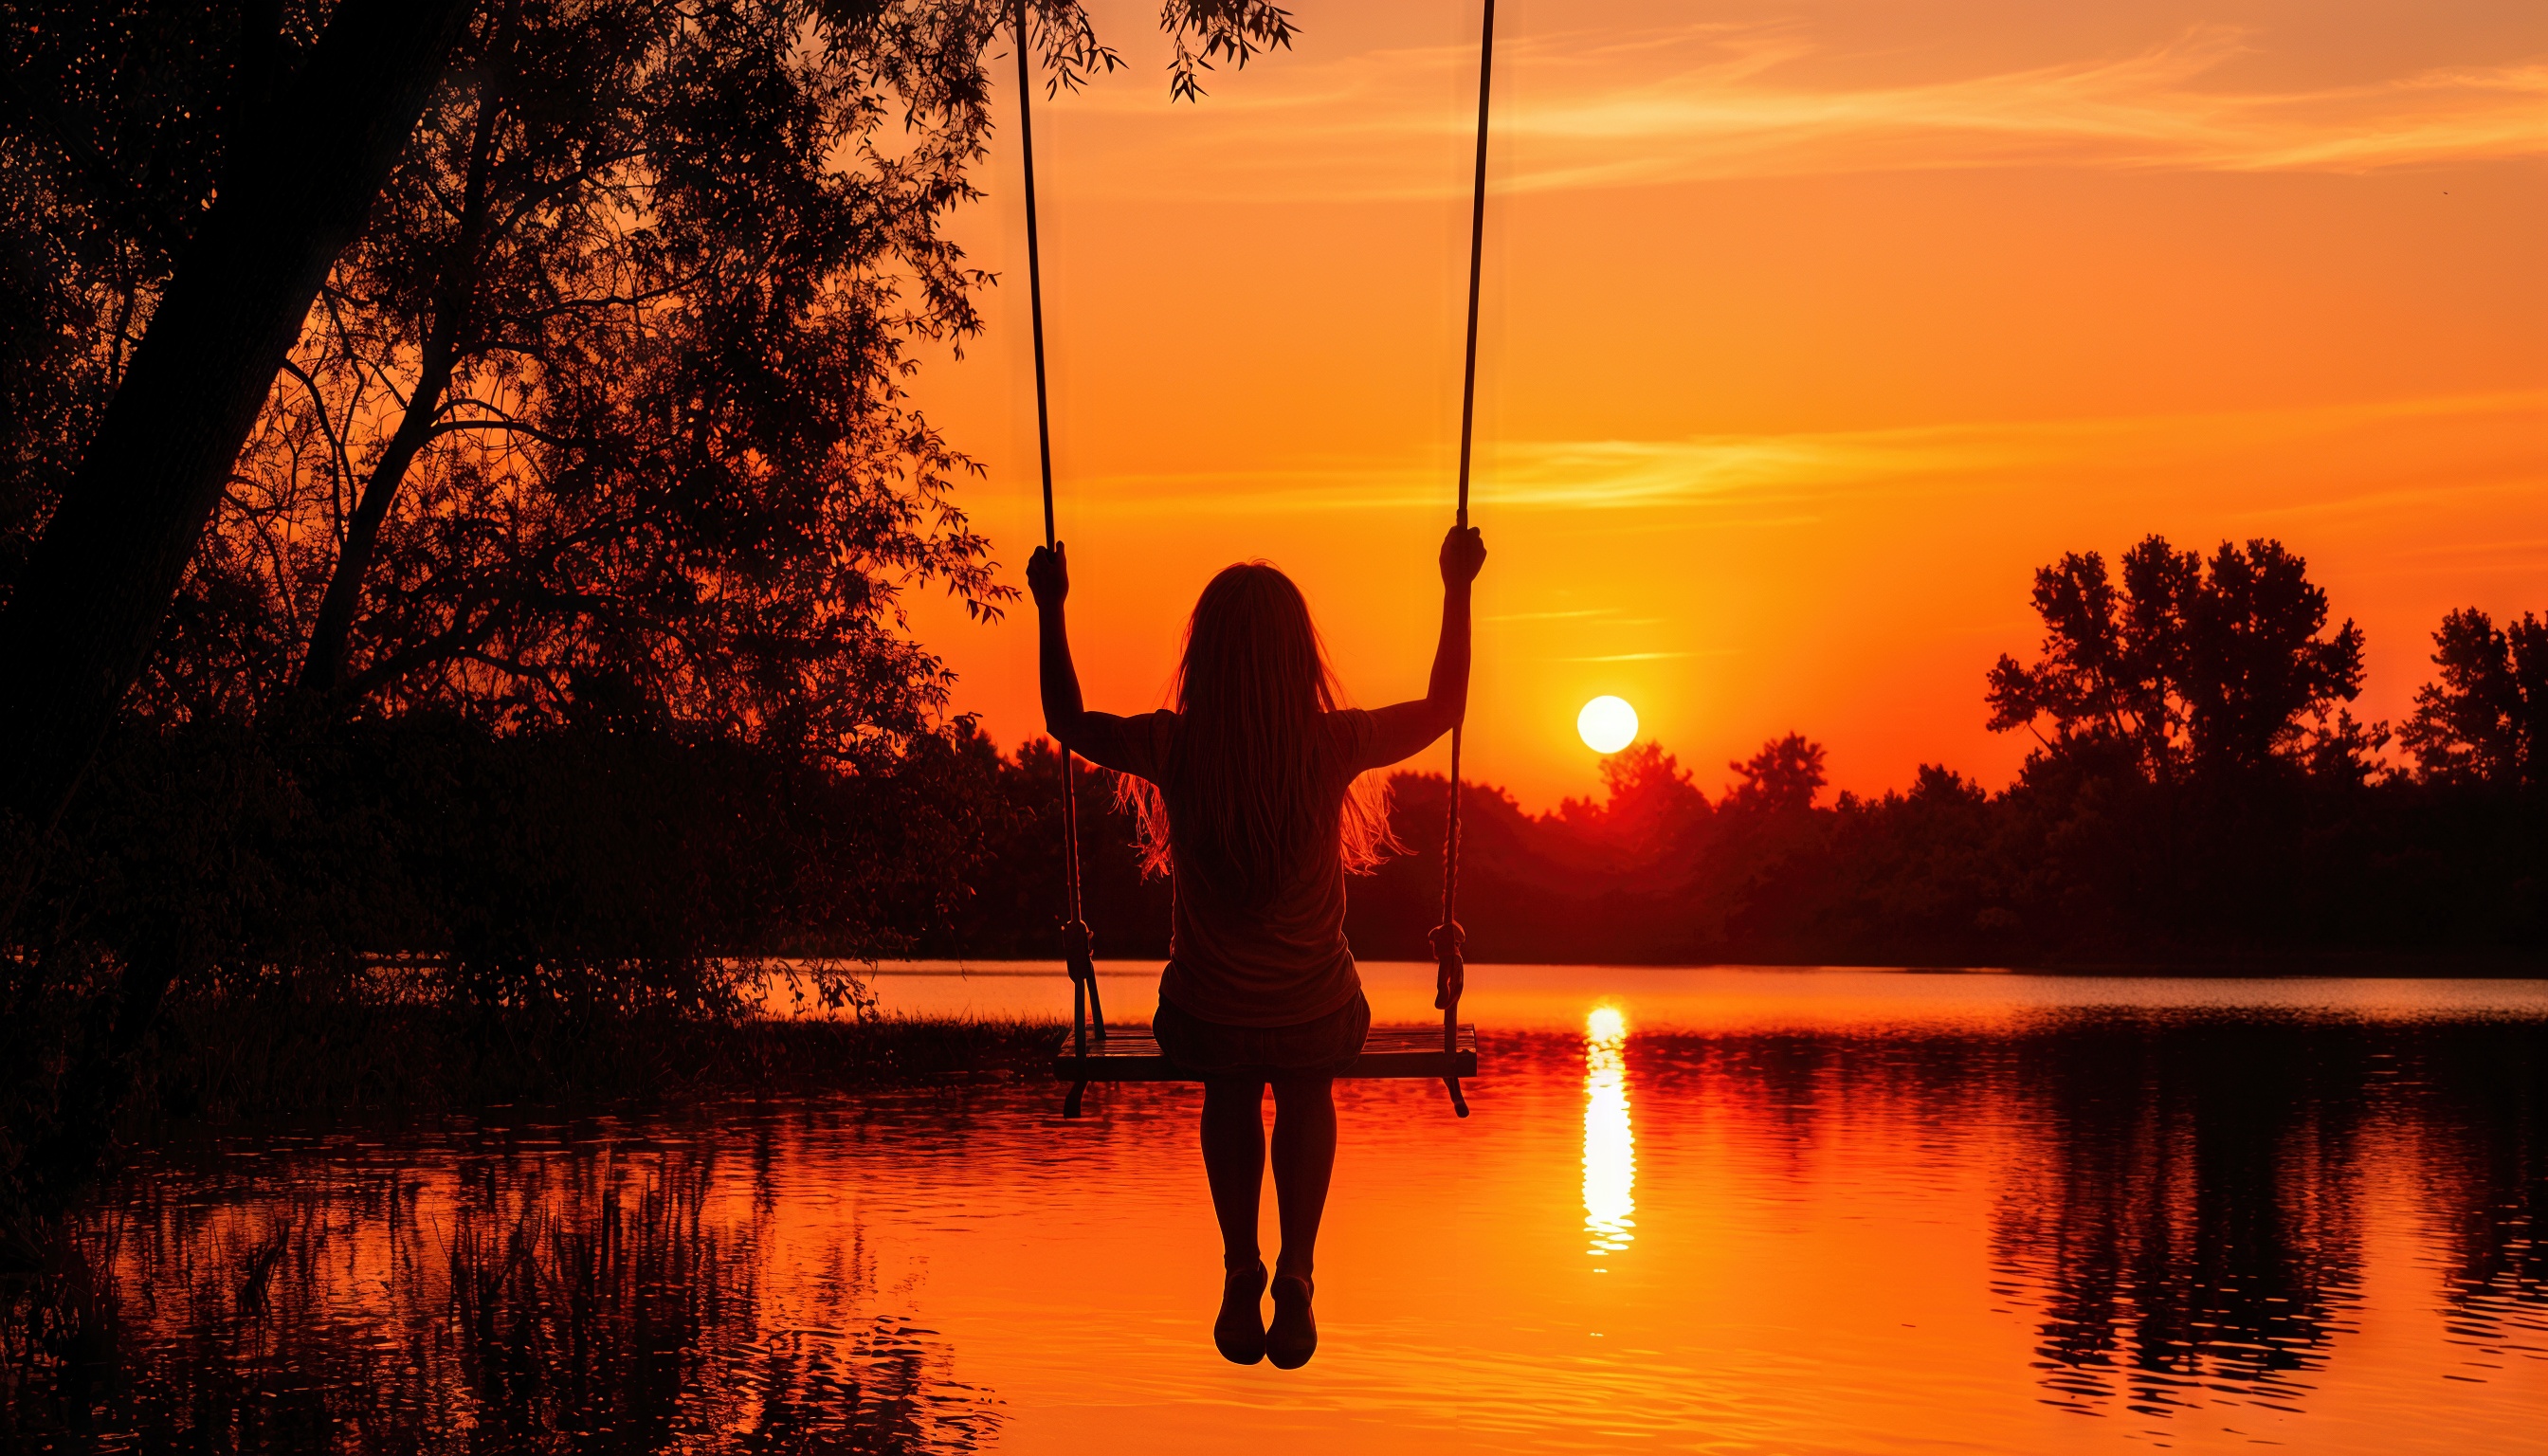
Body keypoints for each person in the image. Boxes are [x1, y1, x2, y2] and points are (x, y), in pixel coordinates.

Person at [1026, 523, 1486, 1369]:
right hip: (1317, 1012)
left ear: (1204, 657)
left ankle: (1242, 1265)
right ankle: (1298, 1272)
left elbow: (1066, 719)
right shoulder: (1331, 744)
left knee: (1230, 1085)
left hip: (1206, 1017)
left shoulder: (1173, 745)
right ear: (1298, 658)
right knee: (1307, 1086)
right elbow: (1441, 709)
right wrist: (1457, 589)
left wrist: (1050, 608)